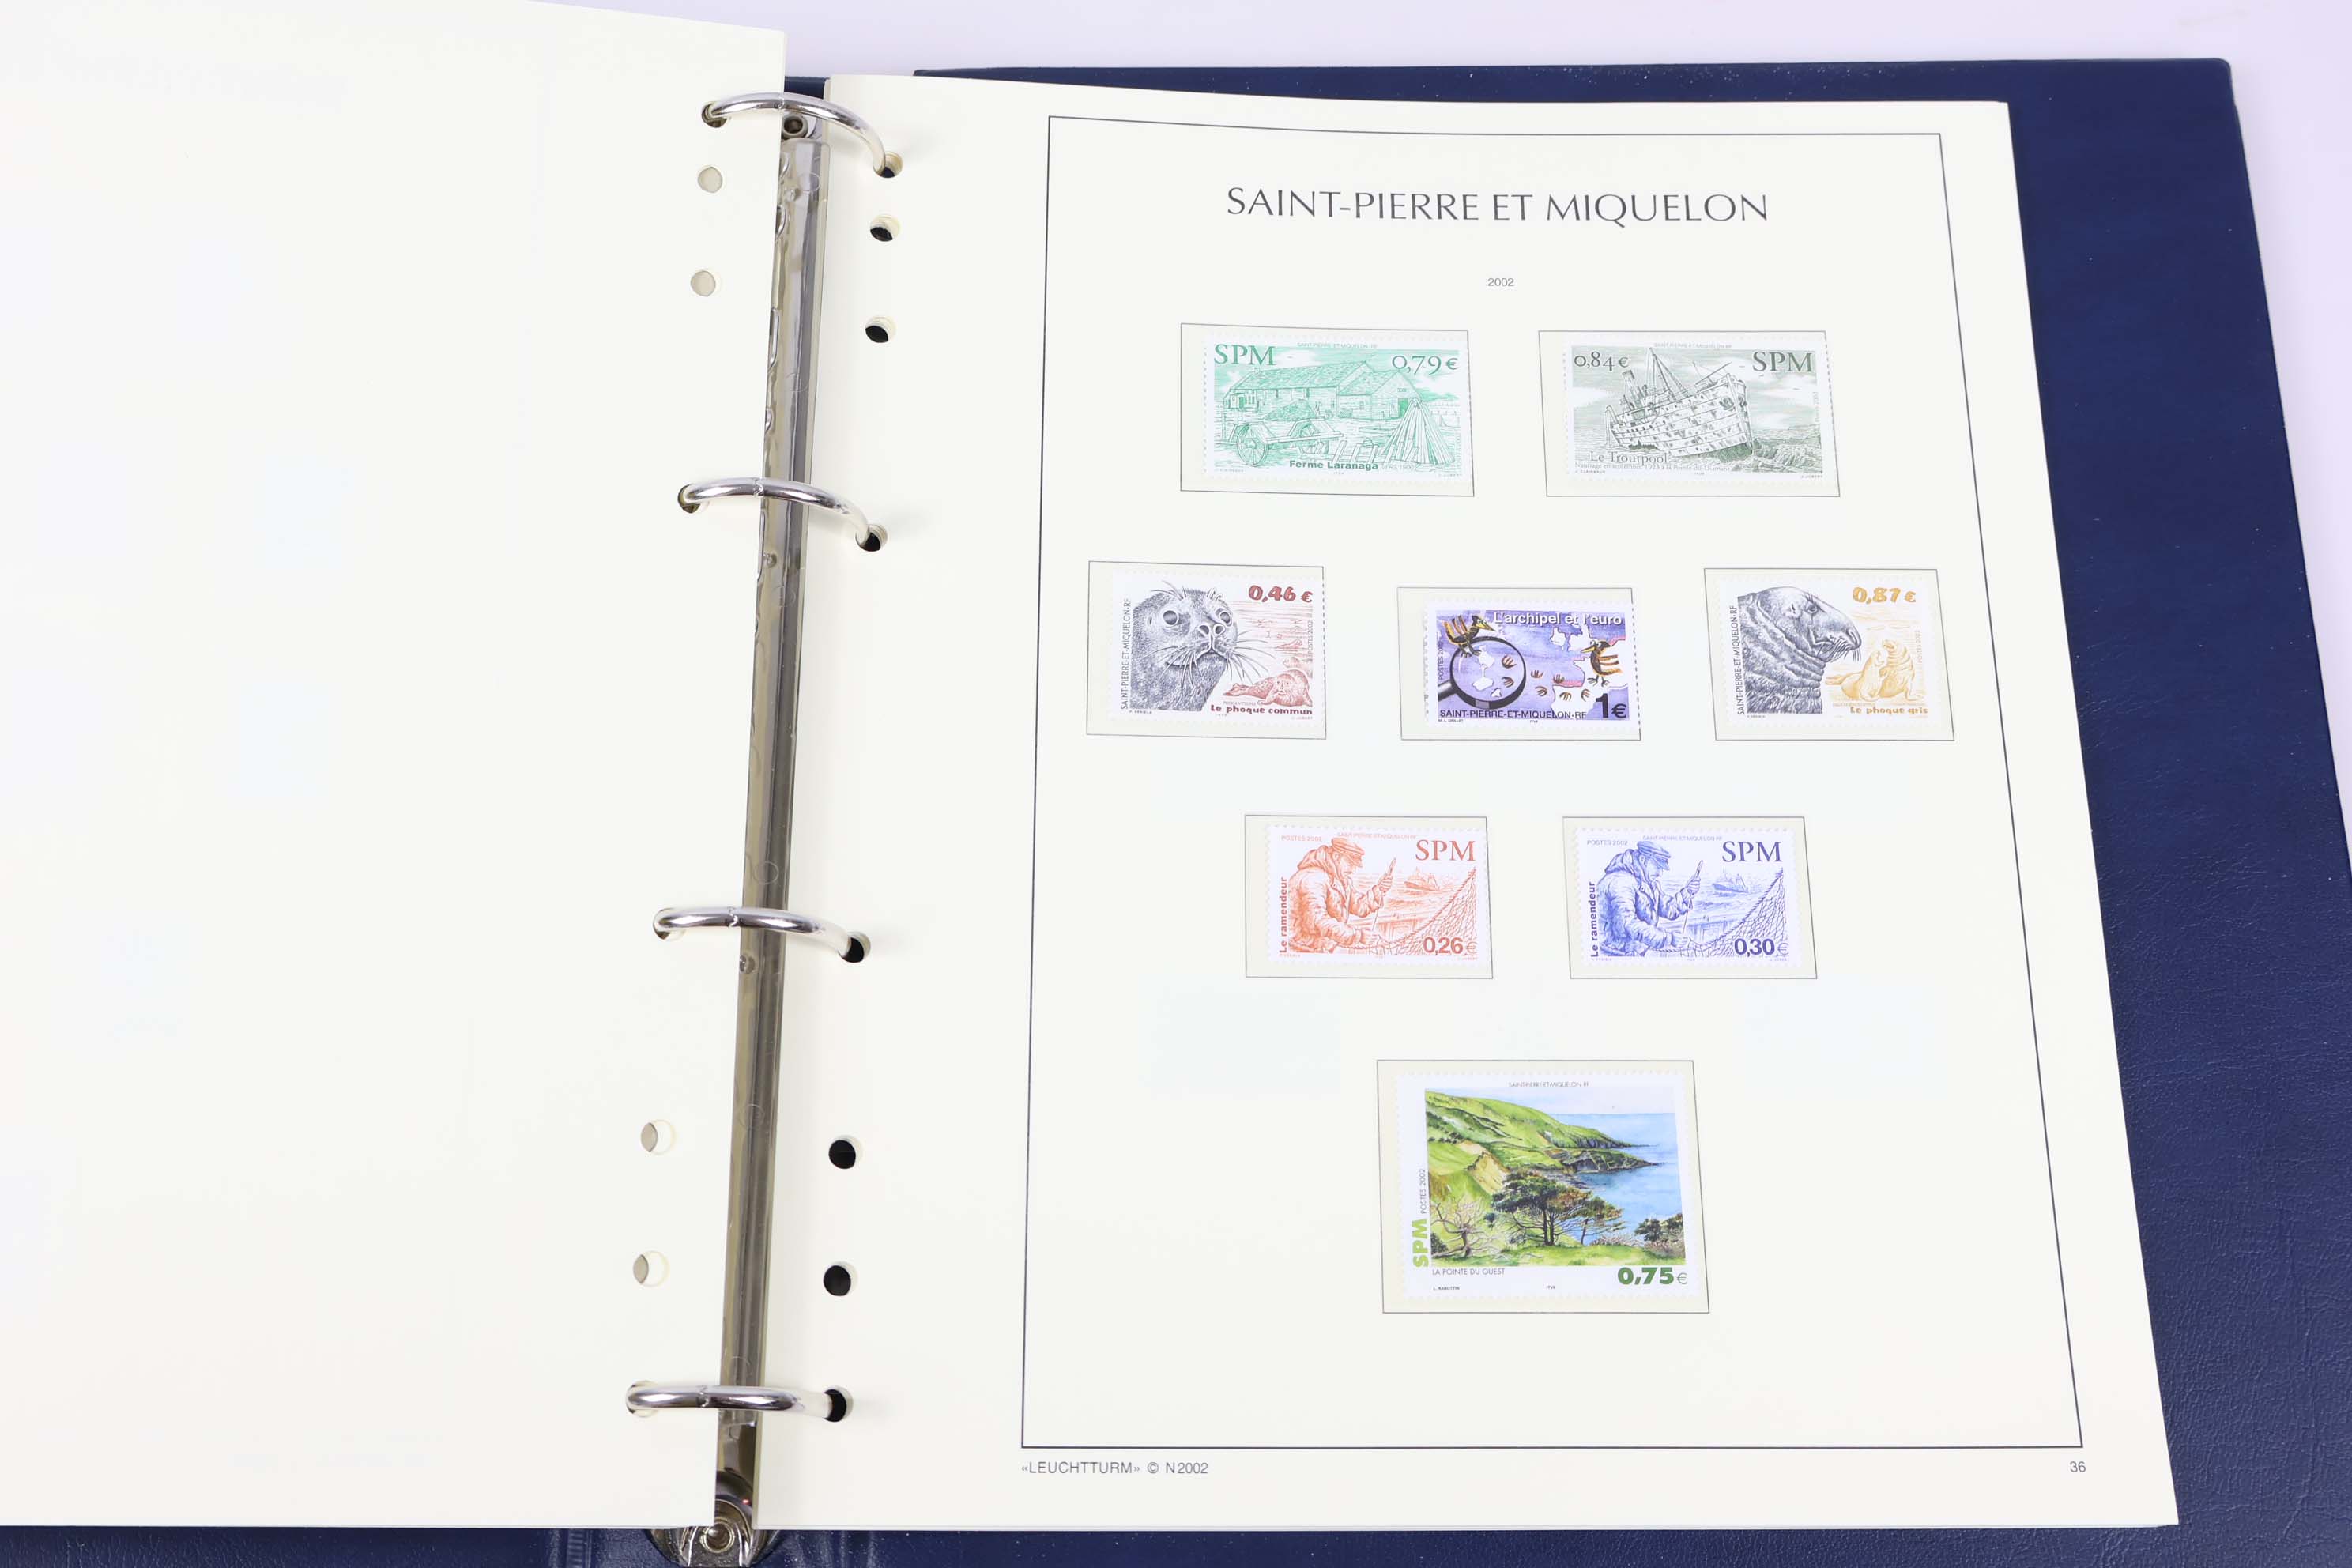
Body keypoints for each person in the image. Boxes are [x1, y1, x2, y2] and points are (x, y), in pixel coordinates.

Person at [1287, 838, 1393, 952]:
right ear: (1337, 857)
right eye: (1350, 864)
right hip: (1300, 949)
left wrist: (1379, 890)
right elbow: (1318, 920)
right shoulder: (1313, 878)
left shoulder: (1341, 879)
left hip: (1320, 948)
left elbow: (1358, 906)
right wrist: (1358, 936)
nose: (1353, 870)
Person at [1596, 840, 1698, 956]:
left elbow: (1667, 908)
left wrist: (1687, 892)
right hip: (1612, 954)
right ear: (1643, 860)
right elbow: (1628, 924)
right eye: (1658, 867)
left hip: (1631, 953)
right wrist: (1669, 939)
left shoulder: (1649, 883)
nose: (1660, 873)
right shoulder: (1621, 882)